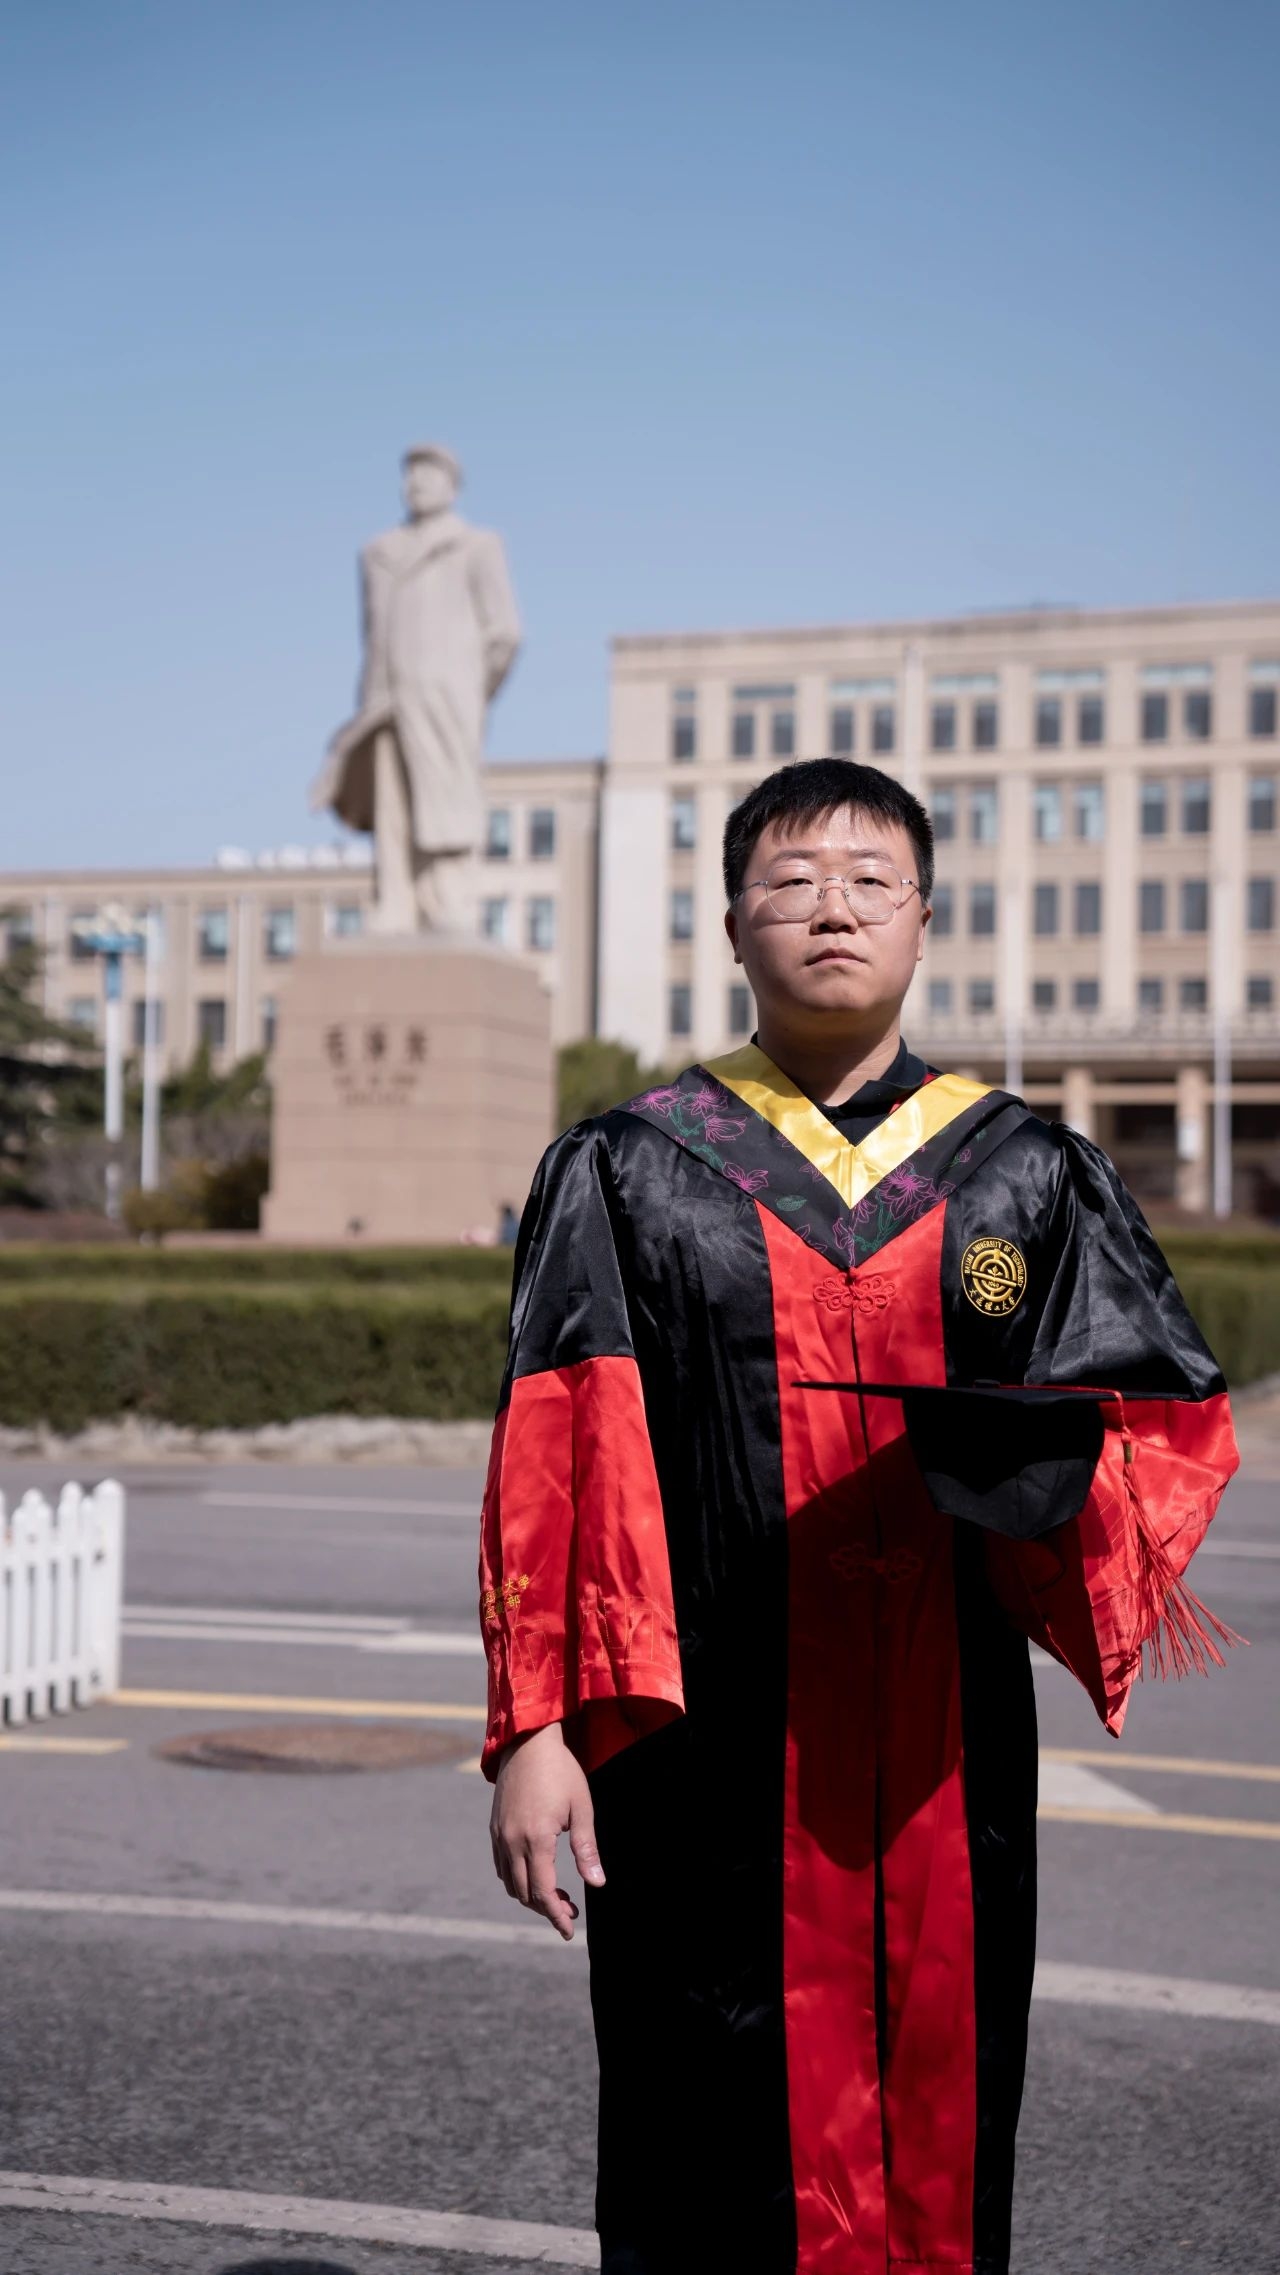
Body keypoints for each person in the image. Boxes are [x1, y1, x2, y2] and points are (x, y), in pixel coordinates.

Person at [479, 758, 1238, 2275]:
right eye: (792, 881)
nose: (833, 908)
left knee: (939, 2091)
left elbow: (1162, 1419)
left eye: (871, 881)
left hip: (942, 1738)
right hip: (700, 1747)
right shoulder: (627, 1170)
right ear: (732, 925)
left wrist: (1047, 1483)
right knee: (702, 2117)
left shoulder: (1026, 1173)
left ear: (924, 919)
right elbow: (560, 1452)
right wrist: (537, 1728)